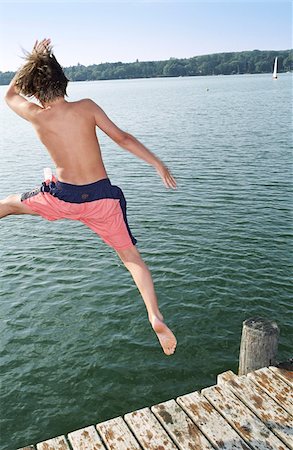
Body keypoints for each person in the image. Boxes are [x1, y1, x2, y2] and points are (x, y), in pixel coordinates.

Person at [1, 38, 177, 355]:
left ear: (36, 92)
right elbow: (122, 138)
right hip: (101, 200)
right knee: (131, 258)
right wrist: (157, 163)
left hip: (61, 197)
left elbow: (10, 94)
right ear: (64, 83)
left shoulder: (36, 115)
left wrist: (31, 62)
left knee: (8, 205)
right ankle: (154, 315)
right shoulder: (87, 107)